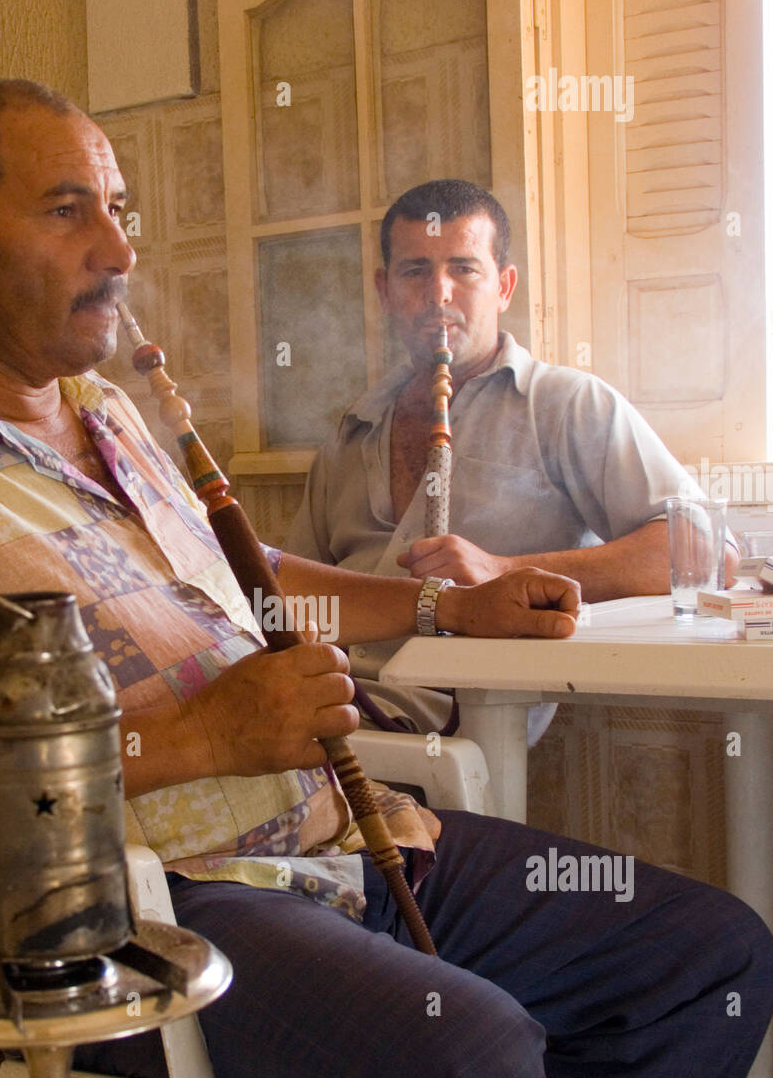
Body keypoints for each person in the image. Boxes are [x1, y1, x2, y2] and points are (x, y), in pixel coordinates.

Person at [0, 83, 770, 1078]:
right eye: (69, 213)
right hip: (144, 909)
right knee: (478, 1061)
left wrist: (440, 603)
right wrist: (202, 736)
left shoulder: (105, 414)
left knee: (704, 955)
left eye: (120, 206)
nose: (121, 248)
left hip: (340, 841)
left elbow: (255, 574)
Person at [285, 179, 739, 734]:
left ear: (504, 285)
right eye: (414, 271)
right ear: (384, 289)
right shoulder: (351, 431)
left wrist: (502, 571)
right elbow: (286, 593)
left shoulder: (565, 405)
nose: (439, 294)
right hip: (330, 694)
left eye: (464, 269)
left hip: (462, 711)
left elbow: (706, 551)